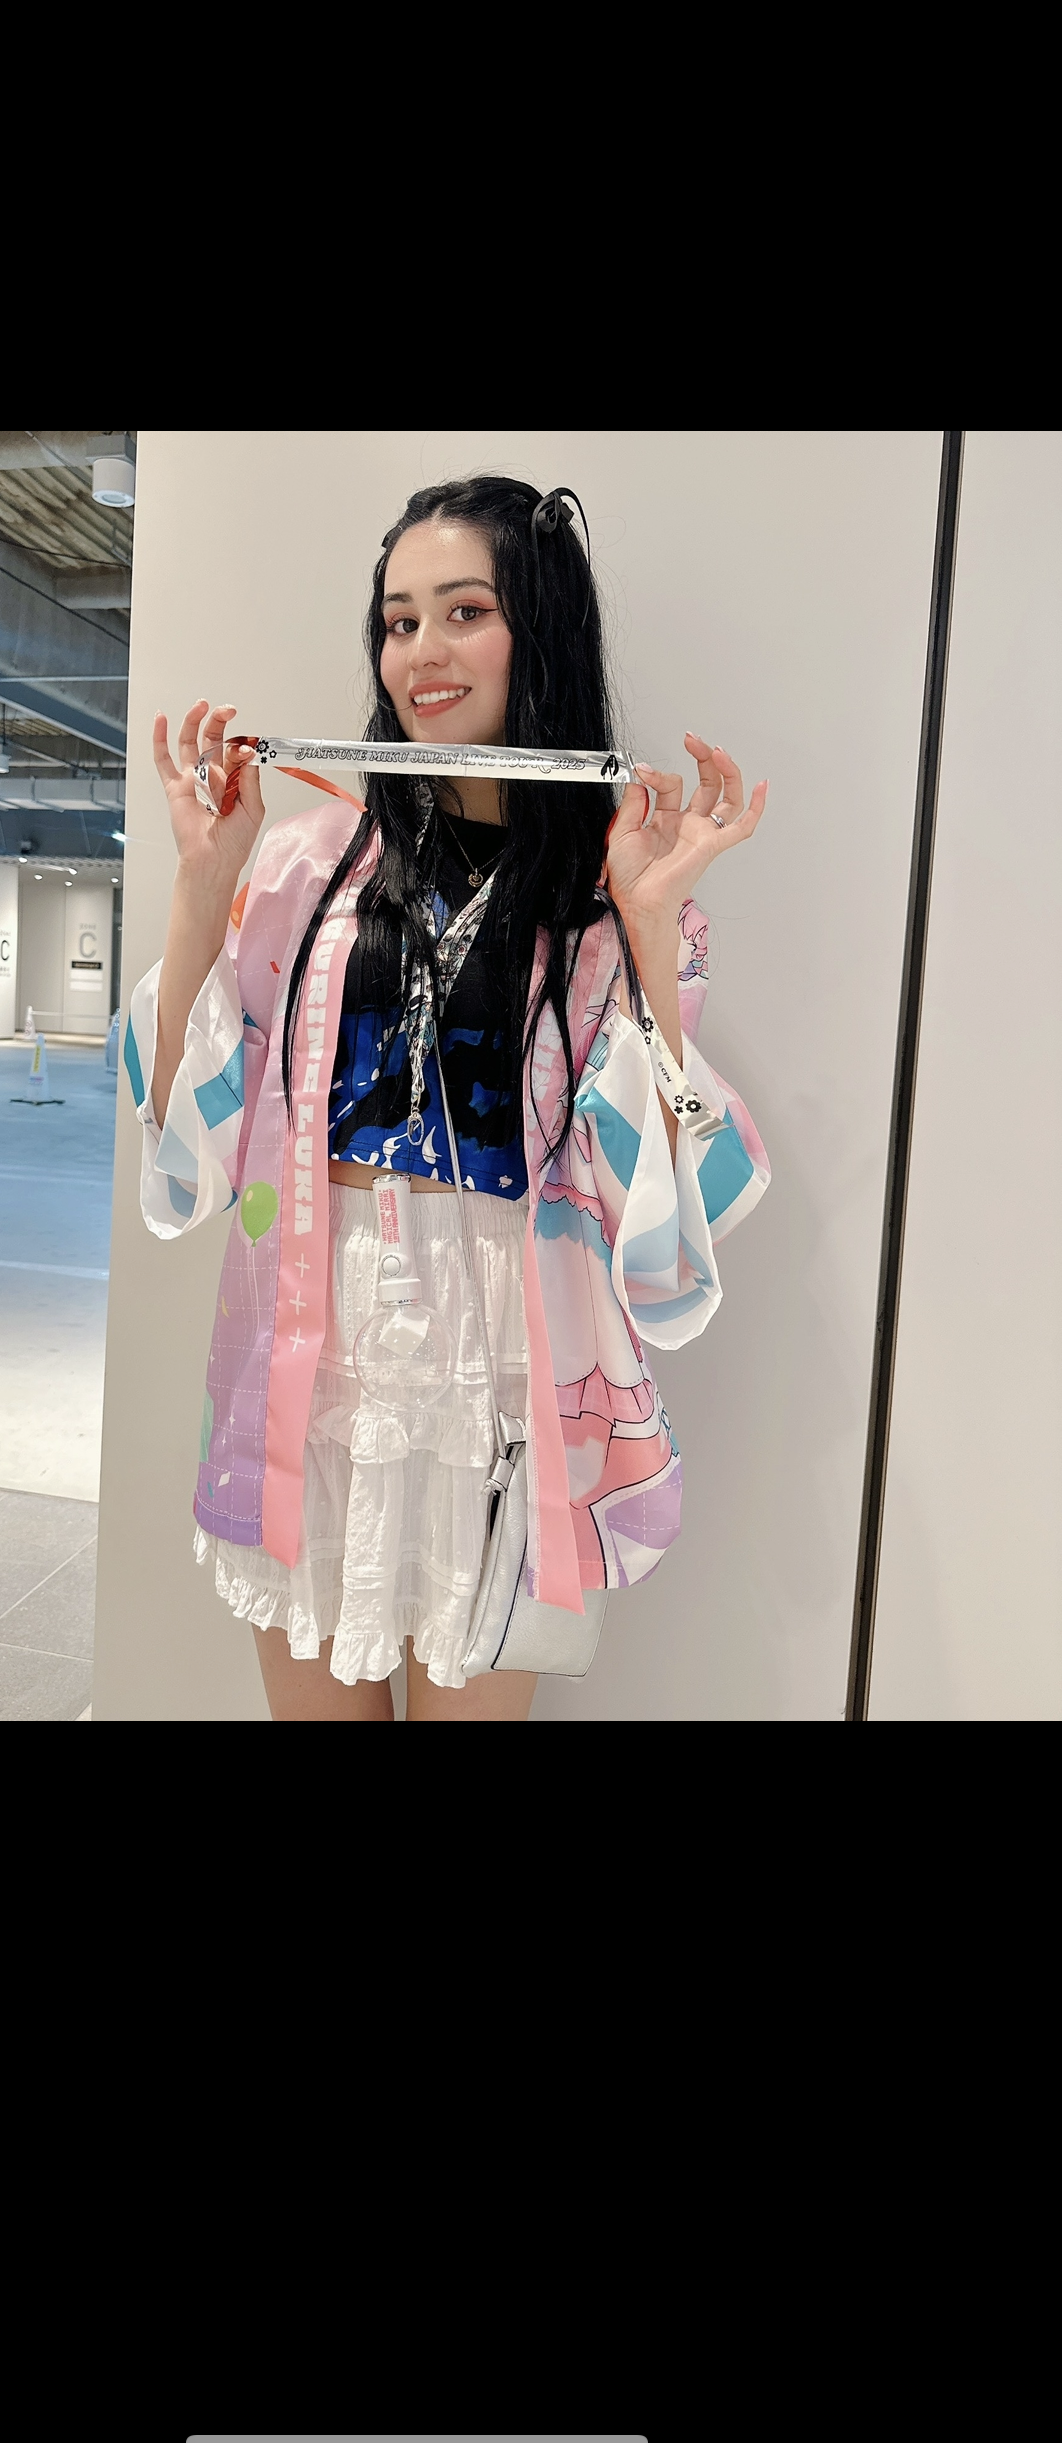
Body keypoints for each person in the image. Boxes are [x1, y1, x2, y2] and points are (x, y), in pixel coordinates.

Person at [125, 477, 770, 1721]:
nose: (422, 651)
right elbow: (182, 1134)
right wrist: (203, 889)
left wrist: (644, 923)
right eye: (399, 620)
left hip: (503, 1370)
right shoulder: (307, 862)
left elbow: (669, 1208)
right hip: (316, 1348)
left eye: (465, 611)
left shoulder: (613, 886)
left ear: (541, 629)